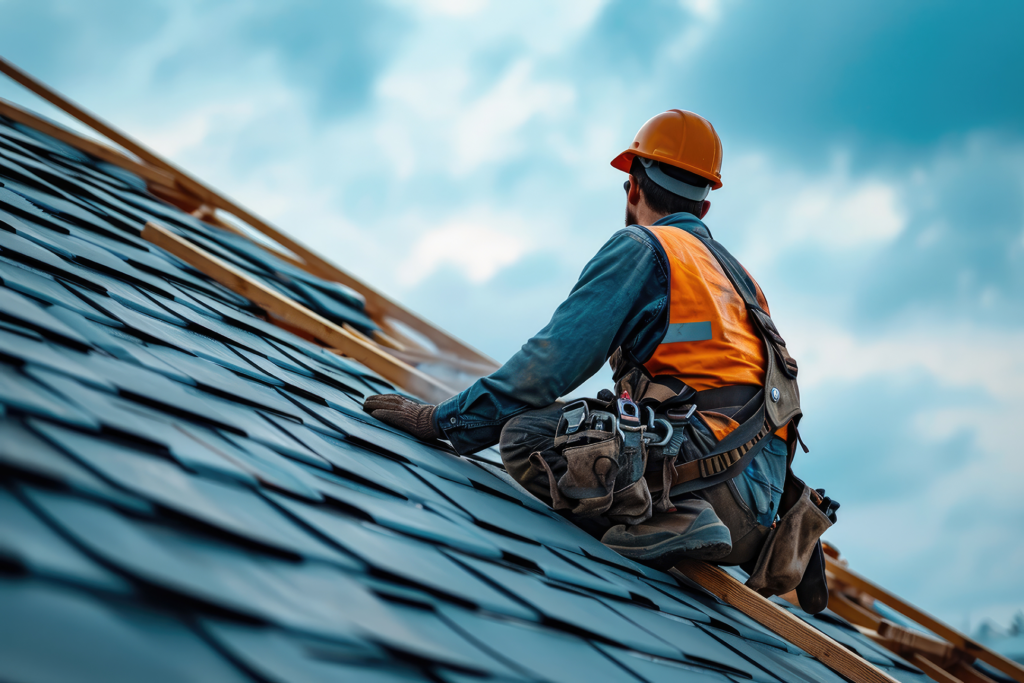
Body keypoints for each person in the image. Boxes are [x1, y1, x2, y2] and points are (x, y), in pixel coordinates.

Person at [365, 111, 834, 605]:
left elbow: (546, 367)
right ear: (705, 207)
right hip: (759, 521)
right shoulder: (743, 284)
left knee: (526, 436)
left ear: (632, 188)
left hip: (701, 491)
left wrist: (442, 419)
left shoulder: (645, 248)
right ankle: (681, 515)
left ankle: (667, 517)